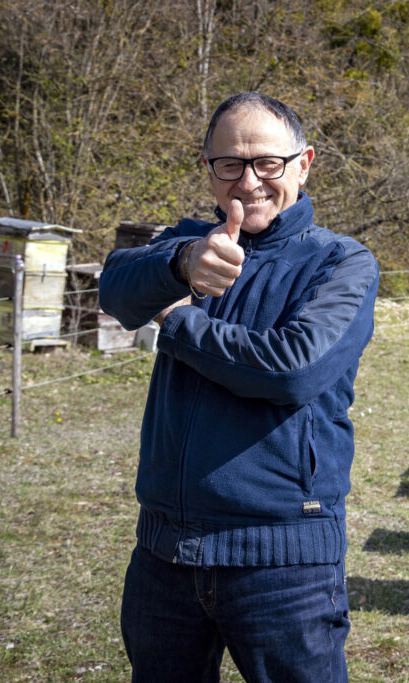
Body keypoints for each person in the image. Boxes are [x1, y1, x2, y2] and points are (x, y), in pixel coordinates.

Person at [99, 92, 378, 682]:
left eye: (266, 163)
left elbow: (291, 368)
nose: (248, 181)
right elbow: (116, 288)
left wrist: (177, 319)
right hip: (165, 553)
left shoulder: (340, 262)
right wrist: (181, 262)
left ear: (304, 163)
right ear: (209, 169)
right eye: (229, 164)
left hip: (283, 561)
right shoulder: (188, 242)